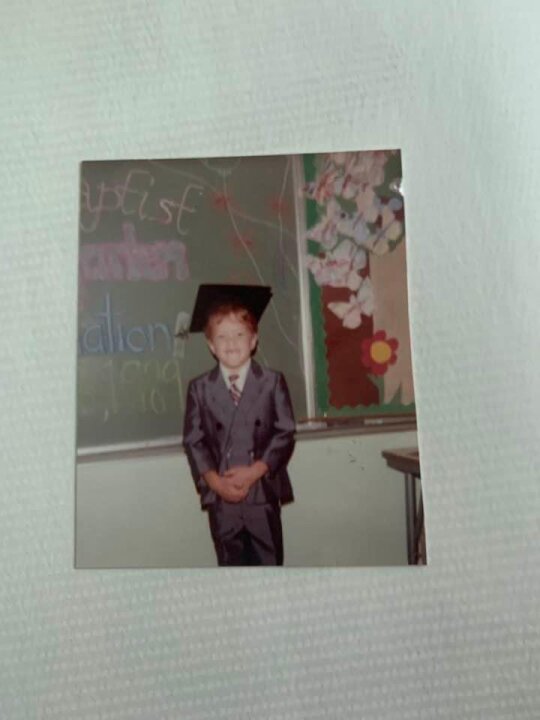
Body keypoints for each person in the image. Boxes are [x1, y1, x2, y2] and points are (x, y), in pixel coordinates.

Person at [182, 284, 296, 566]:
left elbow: (285, 432)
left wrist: (255, 471)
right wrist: (214, 482)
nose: (231, 343)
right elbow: (194, 441)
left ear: (253, 340)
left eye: (239, 334)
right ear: (211, 345)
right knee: (230, 567)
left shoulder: (271, 382)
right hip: (222, 497)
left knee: (269, 565)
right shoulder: (200, 388)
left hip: (261, 492)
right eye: (222, 336)